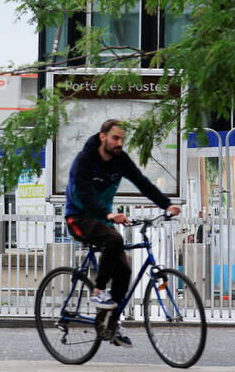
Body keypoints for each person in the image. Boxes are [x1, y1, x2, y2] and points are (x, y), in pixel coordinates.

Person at [63, 119, 181, 348]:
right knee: (114, 238)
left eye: (121, 139)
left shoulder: (120, 160)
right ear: (103, 137)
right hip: (78, 217)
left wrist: (166, 205)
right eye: (115, 138)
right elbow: (84, 196)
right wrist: (108, 215)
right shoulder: (84, 160)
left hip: (100, 220)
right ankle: (98, 290)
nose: (119, 143)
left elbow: (142, 182)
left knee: (125, 271)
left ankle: (109, 324)